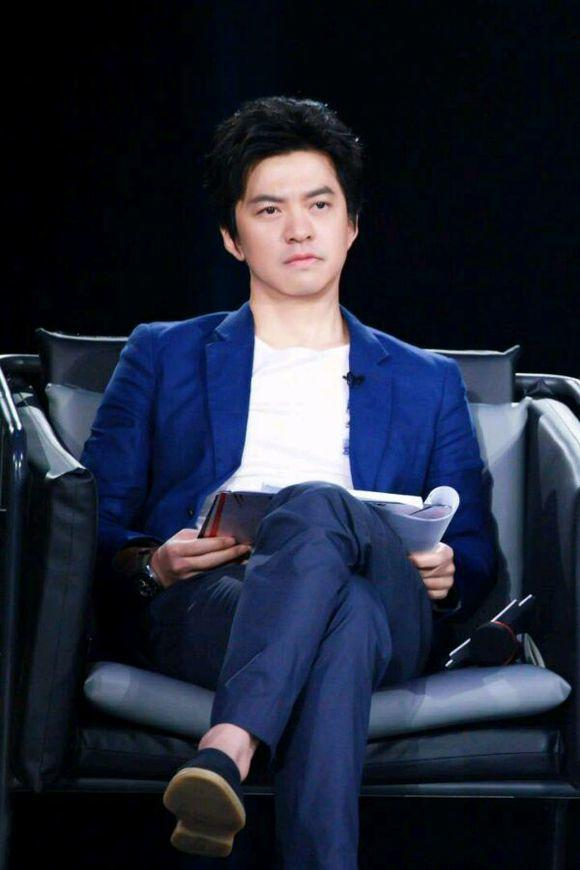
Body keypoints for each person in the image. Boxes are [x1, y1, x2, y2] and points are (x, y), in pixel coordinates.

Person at [81, 96, 497, 869]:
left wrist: (448, 571)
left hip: (394, 604)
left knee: (317, 506)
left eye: (320, 205)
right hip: (214, 602)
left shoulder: (427, 380)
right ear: (232, 236)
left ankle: (227, 747)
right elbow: (91, 521)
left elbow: (475, 553)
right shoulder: (162, 355)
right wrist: (152, 564)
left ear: (352, 224)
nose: (299, 229)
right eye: (270, 209)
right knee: (342, 622)